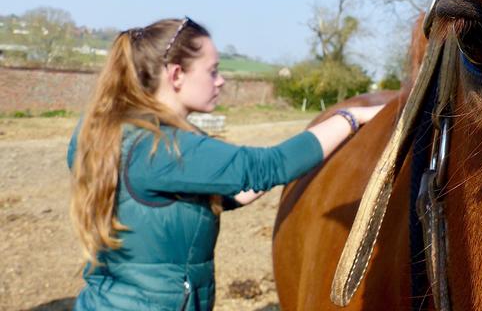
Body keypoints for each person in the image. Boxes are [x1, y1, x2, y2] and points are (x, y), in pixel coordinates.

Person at [67, 17, 383, 310]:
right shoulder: (163, 148)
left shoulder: (116, 132)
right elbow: (268, 165)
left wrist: (255, 183)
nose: (221, 81)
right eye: (212, 70)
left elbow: (211, 191)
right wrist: (351, 117)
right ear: (176, 75)